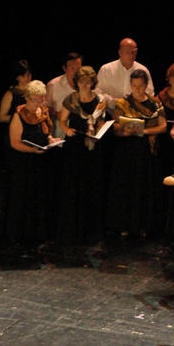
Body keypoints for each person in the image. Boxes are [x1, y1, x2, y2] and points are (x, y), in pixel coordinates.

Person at [105, 69, 166, 236]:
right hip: (127, 150)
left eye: (141, 86)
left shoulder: (155, 103)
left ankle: (143, 225)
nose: (137, 89)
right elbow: (115, 127)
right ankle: (125, 224)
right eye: (134, 86)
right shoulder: (123, 103)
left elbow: (163, 126)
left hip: (147, 150)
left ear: (146, 85)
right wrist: (126, 131)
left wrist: (144, 131)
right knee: (127, 187)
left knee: (145, 186)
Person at [4, 80, 59, 246]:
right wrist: (32, 150)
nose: (37, 103)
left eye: (40, 99)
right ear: (27, 98)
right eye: (34, 99)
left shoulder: (43, 111)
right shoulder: (19, 115)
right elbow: (15, 142)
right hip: (24, 162)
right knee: (25, 195)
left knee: (41, 194)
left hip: (41, 160)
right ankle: (23, 232)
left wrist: (51, 139)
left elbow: (47, 133)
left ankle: (41, 230)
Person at [58, 66, 109, 245]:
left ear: (93, 83)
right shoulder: (71, 99)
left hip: (92, 146)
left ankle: (91, 228)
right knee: (74, 185)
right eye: (82, 82)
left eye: (88, 82)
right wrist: (66, 129)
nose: (85, 85)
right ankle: (72, 227)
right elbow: (62, 120)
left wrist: (98, 133)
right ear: (77, 83)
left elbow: (101, 121)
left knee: (91, 184)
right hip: (75, 146)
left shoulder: (99, 100)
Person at [97, 38, 155, 109]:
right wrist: (117, 102)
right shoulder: (106, 69)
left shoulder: (143, 70)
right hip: (111, 110)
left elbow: (150, 94)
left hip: (136, 111)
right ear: (119, 53)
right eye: (127, 52)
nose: (131, 55)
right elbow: (98, 93)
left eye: (134, 52)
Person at [46, 51, 84, 137]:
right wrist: (56, 114)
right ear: (64, 68)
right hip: (60, 131)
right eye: (72, 68)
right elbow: (45, 107)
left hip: (82, 130)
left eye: (78, 68)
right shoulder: (53, 85)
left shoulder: (86, 84)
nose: (76, 72)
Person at [0, 59, 31, 125]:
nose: (27, 78)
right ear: (16, 77)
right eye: (23, 76)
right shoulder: (10, 94)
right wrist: (20, 118)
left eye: (28, 74)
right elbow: (2, 117)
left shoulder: (35, 90)